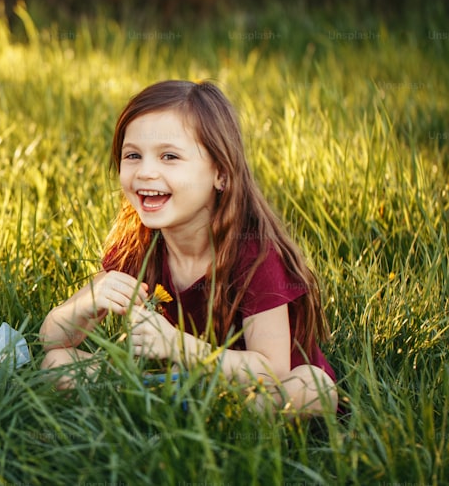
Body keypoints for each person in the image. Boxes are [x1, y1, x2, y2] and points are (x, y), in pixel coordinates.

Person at [39, 80, 338, 414]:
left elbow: (273, 371)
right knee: (56, 364)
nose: (146, 172)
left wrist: (176, 345)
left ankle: (200, 417)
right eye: (133, 155)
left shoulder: (254, 254)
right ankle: (177, 411)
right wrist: (83, 306)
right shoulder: (137, 244)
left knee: (315, 388)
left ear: (221, 174)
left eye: (170, 156)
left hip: (252, 390)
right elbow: (52, 341)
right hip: (179, 382)